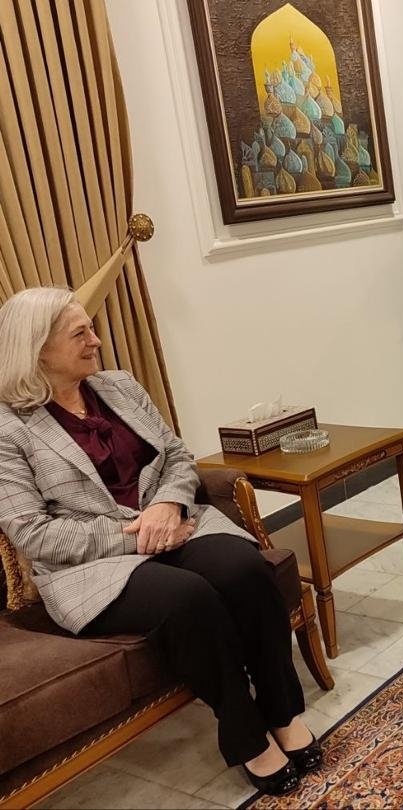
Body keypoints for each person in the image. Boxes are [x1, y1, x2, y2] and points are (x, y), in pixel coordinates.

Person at [0, 288, 321, 795]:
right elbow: (33, 533)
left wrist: (169, 505)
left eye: (92, 328)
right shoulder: (8, 429)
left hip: (176, 523)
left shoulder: (119, 387)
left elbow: (176, 454)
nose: (96, 341)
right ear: (37, 350)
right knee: (189, 598)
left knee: (245, 570)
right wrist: (139, 535)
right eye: (80, 334)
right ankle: (247, 736)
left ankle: (282, 712)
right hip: (92, 565)